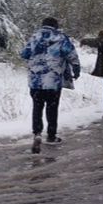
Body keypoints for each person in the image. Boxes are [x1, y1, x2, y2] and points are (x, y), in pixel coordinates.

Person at [21, 17, 80, 154]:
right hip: (53, 81)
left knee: (37, 106)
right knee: (52, 108)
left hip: (35, 81)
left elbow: (24, 54)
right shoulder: (60, 38)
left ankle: (37, 133)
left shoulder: (34, 37)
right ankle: (51, 135)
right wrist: (76, 69)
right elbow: (72, 55)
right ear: (55, 26)